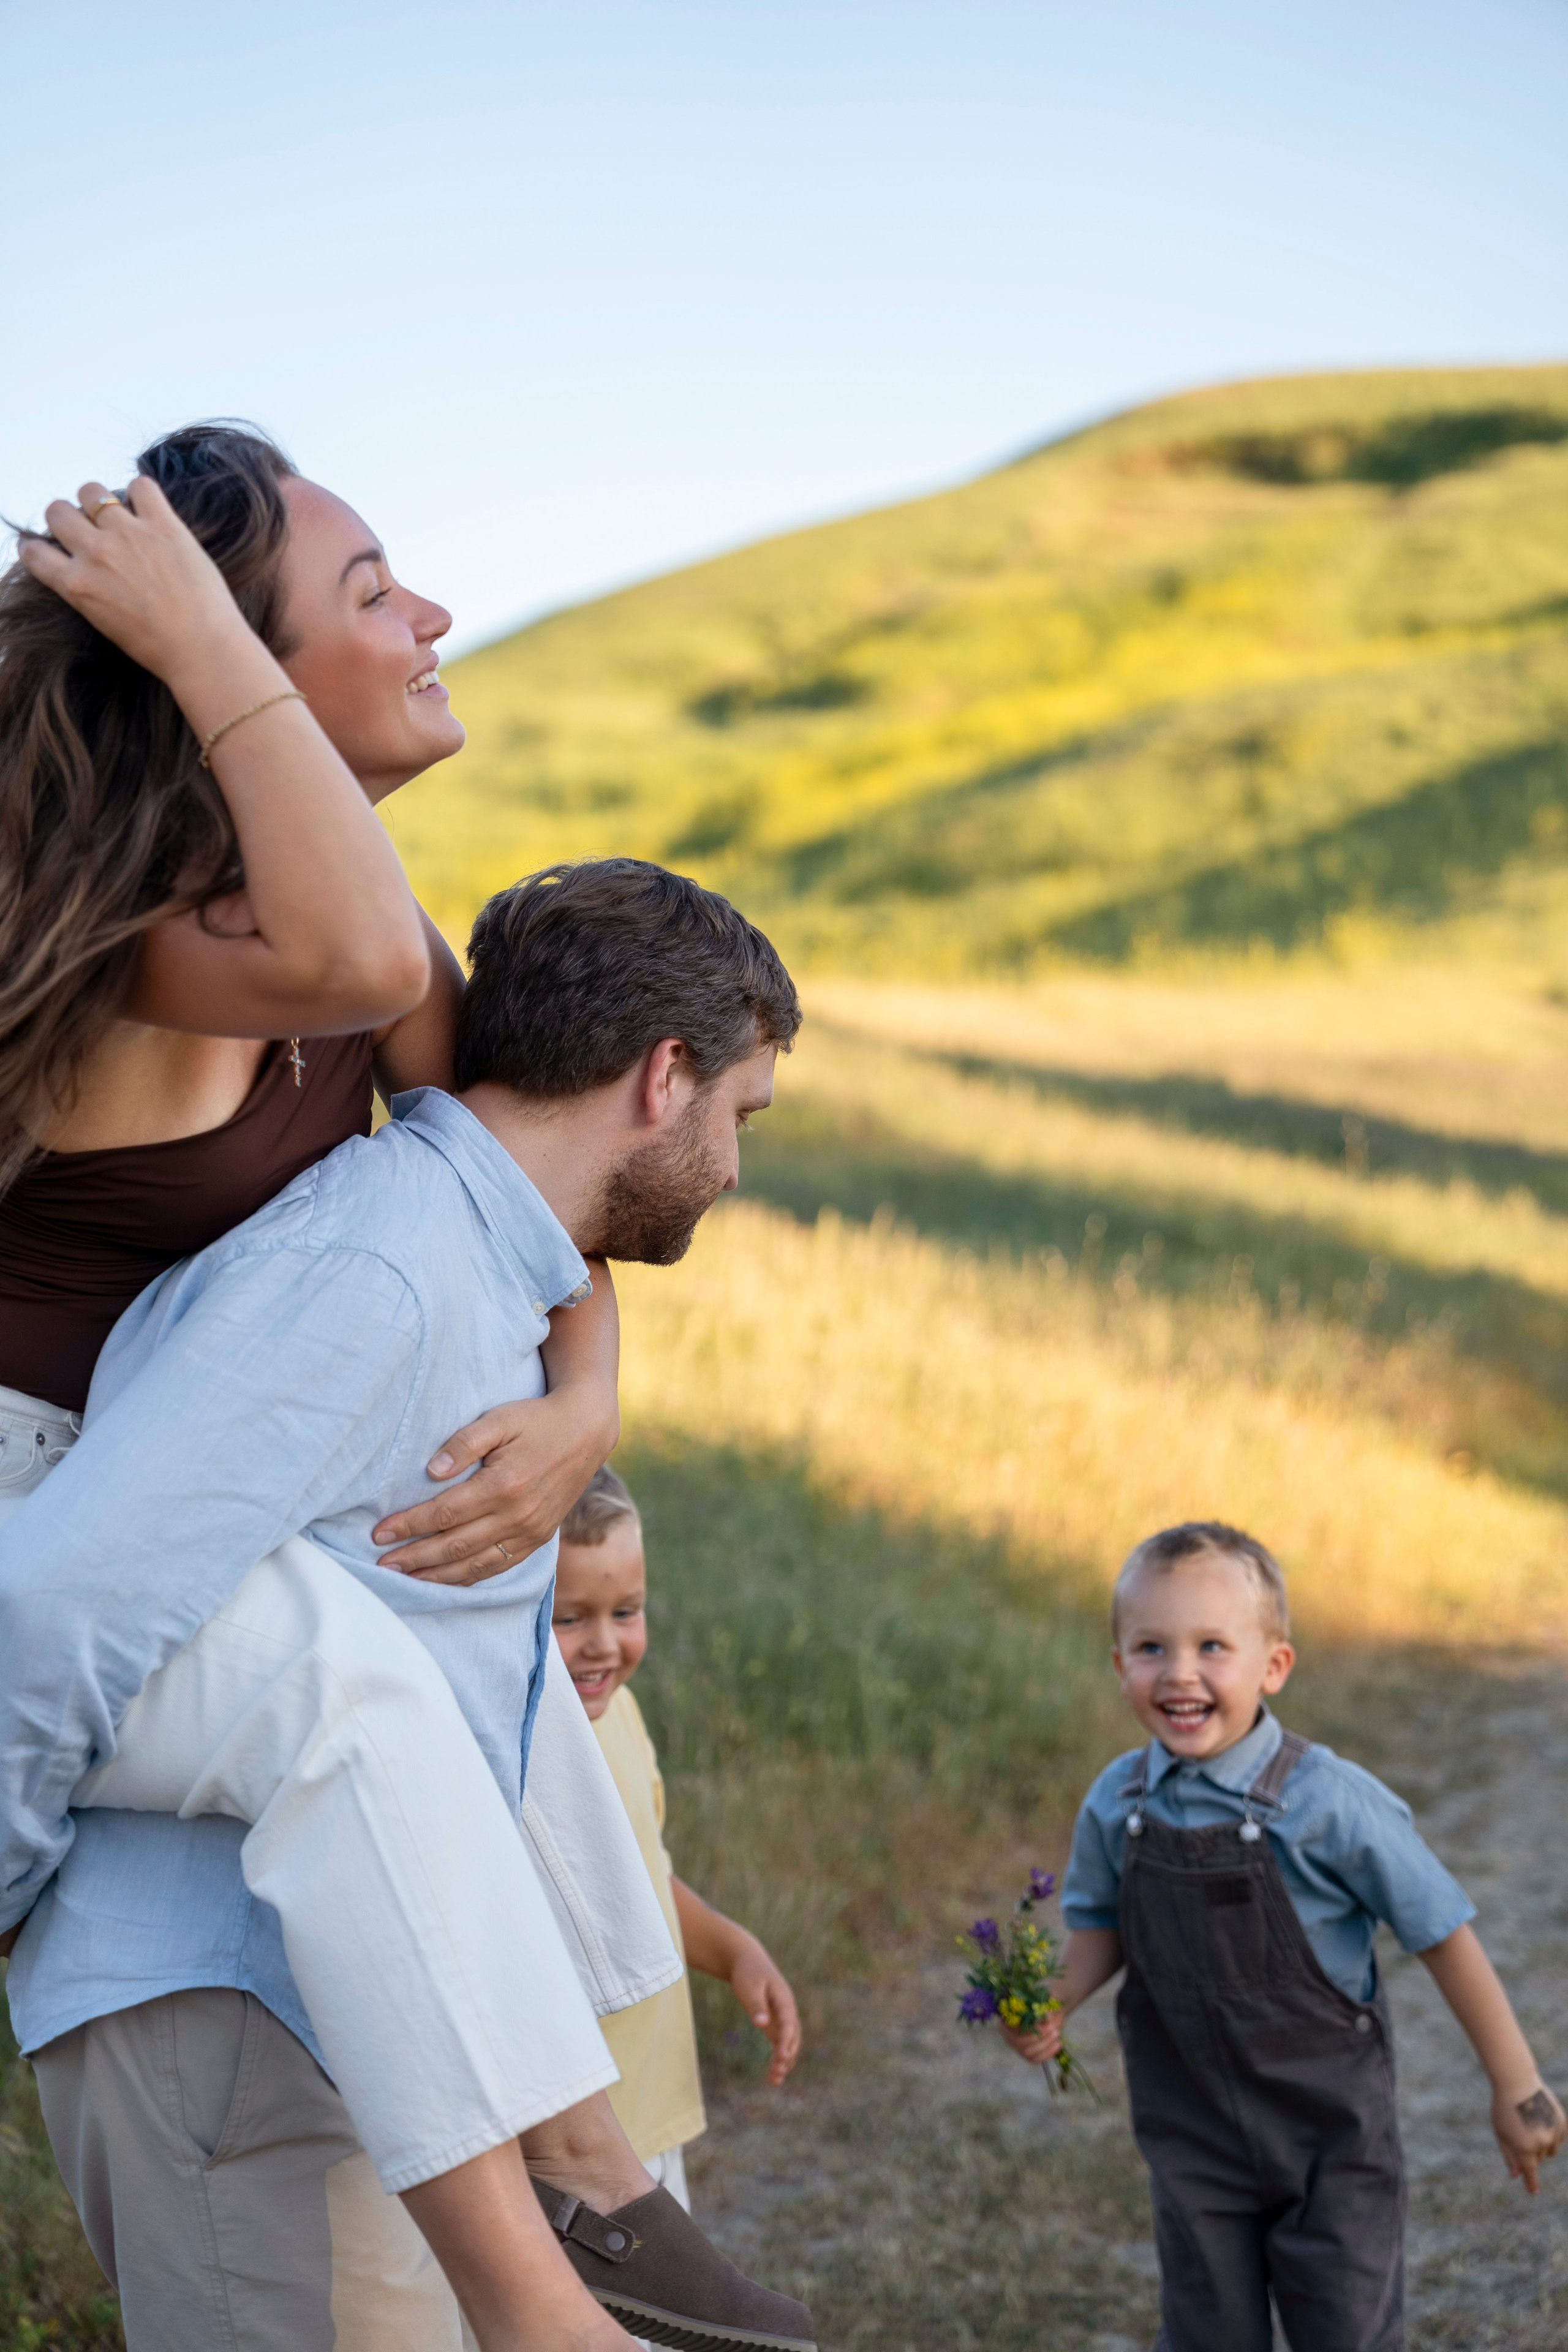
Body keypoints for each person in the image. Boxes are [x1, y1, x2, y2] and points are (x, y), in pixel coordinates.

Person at [0, 858, 815, 2352]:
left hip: (346, 2028)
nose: (734, 1167)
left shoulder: (473, 1266)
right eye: (740, 1116)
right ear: (662, 1076)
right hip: (234, 2023)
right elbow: (58, 1607)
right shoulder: (375, 1270)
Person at [1003, 1518, 1567, 2352]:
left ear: (1274, 1666)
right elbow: (1100, 1928)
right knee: (1207, 2334)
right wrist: (1055, 1999)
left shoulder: (1329, 1801)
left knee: (1345, 2331)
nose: (1180, 1673)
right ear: (1120, 1666)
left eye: (1211, 1647)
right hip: (1191, 2130)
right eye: (1152, 1648)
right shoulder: (1117, 1803)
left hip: (1328, 2139)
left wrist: (1515, 2085)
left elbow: (1441, 1932)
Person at [552, 1466, 802, 2225]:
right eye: (568, 1618)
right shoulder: (520, 1759)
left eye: (625, 1611)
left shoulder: (622, 1719)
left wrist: (733, 1950)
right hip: (564, 2143)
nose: (604, 1645)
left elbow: (647, 1880)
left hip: (648, 2112)